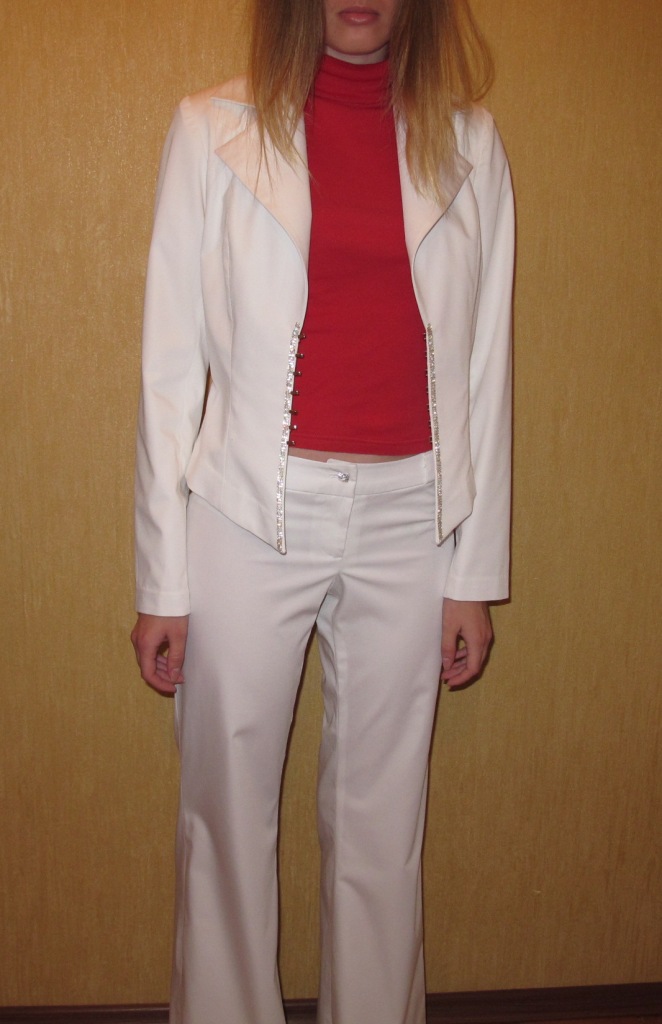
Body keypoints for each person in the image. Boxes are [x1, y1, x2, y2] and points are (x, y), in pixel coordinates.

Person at [131, 0, 514, 1021]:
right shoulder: (210, 129)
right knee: (224, 814)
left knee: (383, 825)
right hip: (247, 511)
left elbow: (485, 370)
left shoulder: (470, 143)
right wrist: (163, 580)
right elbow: (169, 371)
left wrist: (473, 574)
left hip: (413, 517)